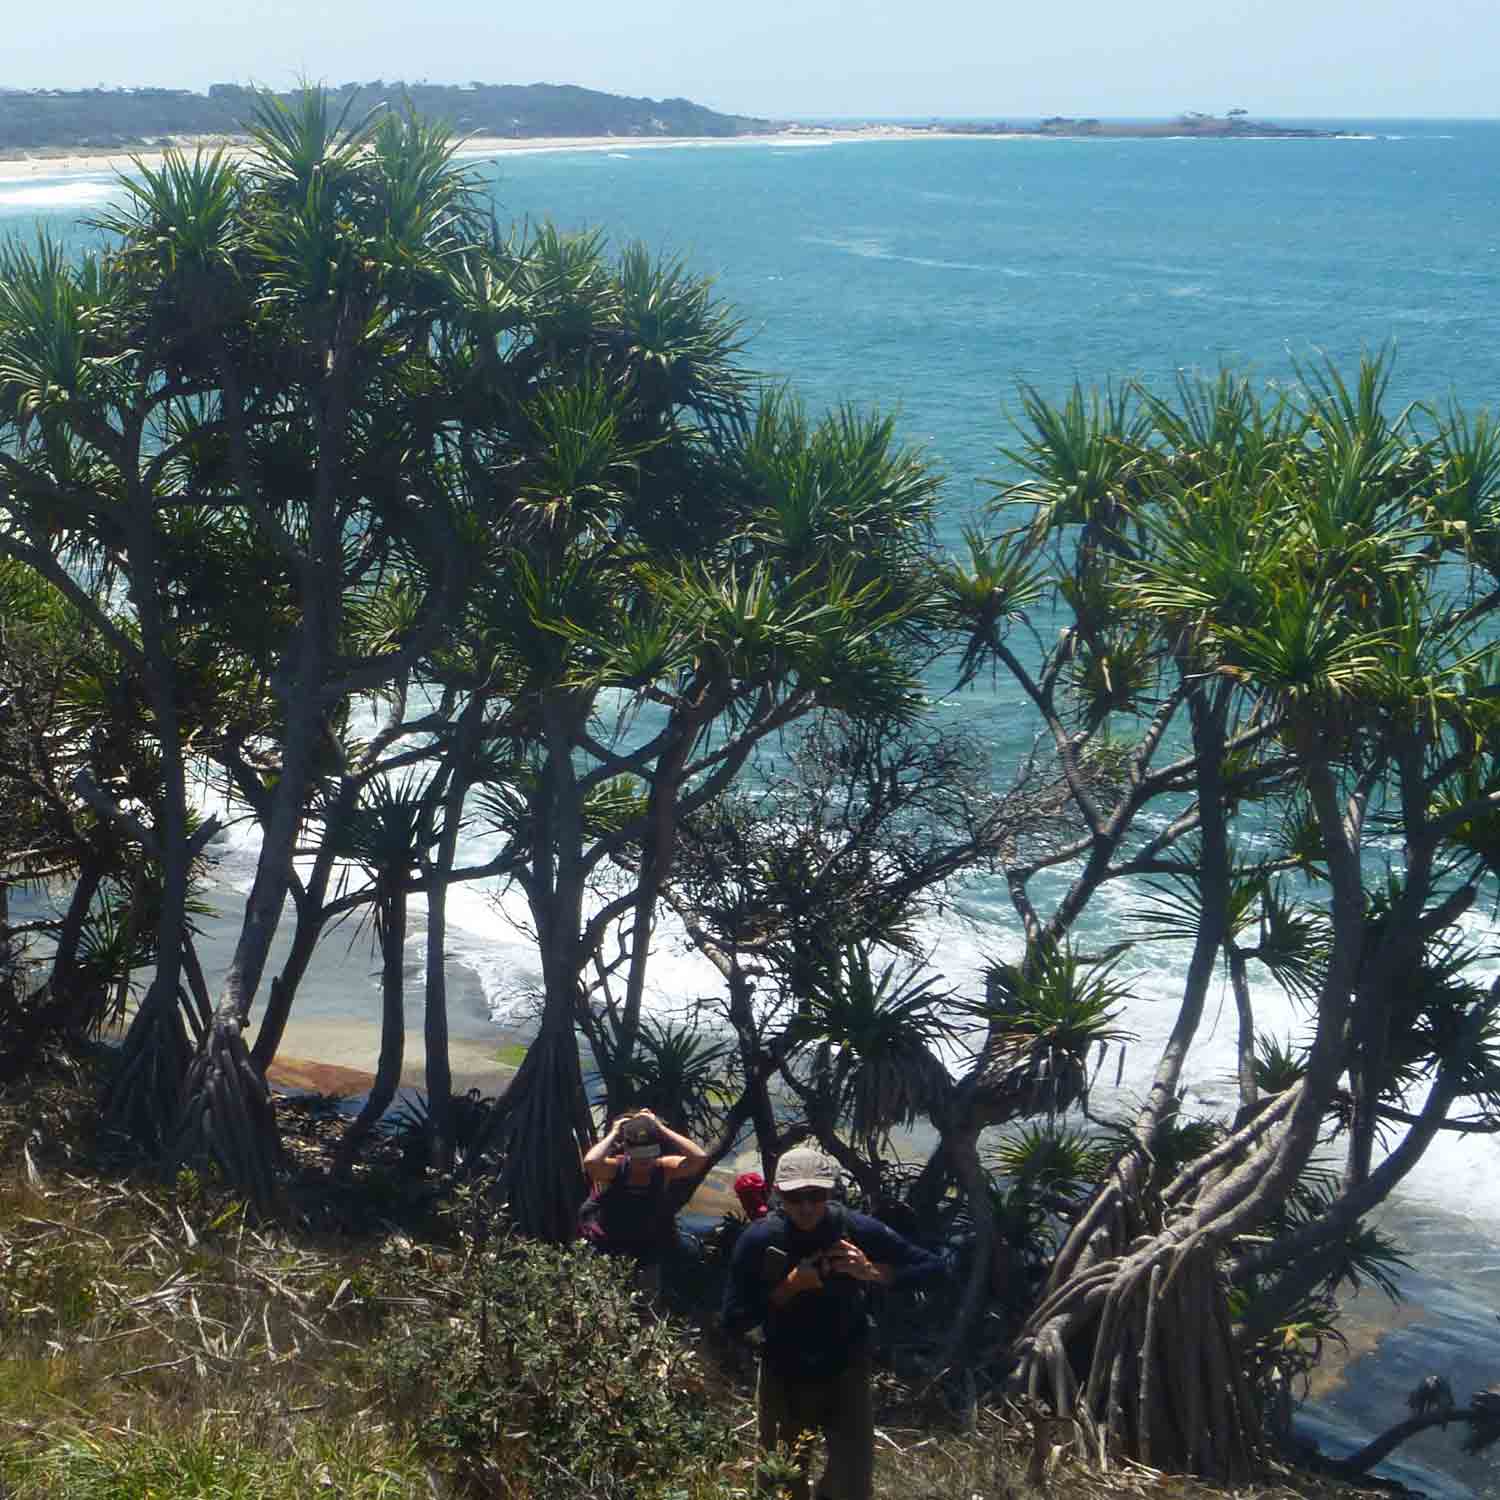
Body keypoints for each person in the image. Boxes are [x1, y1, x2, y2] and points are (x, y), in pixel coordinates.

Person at [722, 1146, 944, 1500]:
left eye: (816, 1196)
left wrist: (872, 1272)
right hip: (785, 1375)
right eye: (796, 1197)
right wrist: (789, 1288)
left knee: (852, 1482)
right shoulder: (759, 1240)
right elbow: (734, 1319)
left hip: (847, 1371)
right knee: (781, 1482)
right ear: (779, 1194)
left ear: (830, 1192)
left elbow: (933, 1268)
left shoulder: (854, 1229)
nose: (807, 1207)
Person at [579, 1107, 708, 1297]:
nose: (645, 1161)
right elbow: (590, 1162)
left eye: (649, 1154)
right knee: (609, 1303)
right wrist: (615, 1132)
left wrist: (658, 1127)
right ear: (628, 1151)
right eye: (640, 1156)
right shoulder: (615, 1169)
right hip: (611, 1248)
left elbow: (699, 1158)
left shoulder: (663, 1168)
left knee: (647, 1303)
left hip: (647, 1250)